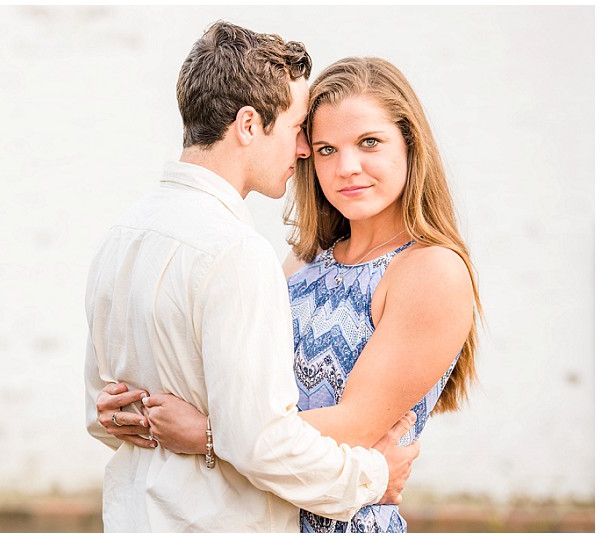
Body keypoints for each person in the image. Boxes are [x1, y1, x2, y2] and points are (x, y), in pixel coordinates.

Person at [97, 56, 482, 532]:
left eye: (369, 143)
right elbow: (240, 386)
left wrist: (208, 435)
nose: (347, 168)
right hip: (265, 513)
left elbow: (357, 423)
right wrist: (135, 401)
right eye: (324, 149)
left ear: (410, 143)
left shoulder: (430, 270)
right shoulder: (304, 260)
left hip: (346, 520)